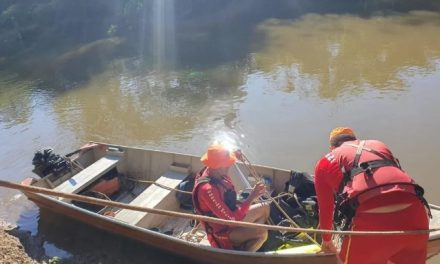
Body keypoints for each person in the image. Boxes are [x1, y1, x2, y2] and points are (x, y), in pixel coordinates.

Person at [314, 127, 430, 263]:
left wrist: (327, 240)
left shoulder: (324, 162)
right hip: (416, 215)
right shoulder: (378, 145)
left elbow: (326, 208)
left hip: (370, 226)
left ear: (331, 147)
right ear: (355, 139)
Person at [192, 144, 270, 251]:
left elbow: (225, 156)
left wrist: (235, 155)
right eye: (226, 164)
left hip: (233, 220)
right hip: (222, 232)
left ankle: (248, 239)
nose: (229, 166)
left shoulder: (213, 169)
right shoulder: (207, 190)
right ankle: (243, 255)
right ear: (217, 166)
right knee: (262, 232)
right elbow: (232, 219)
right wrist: (251, 197)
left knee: (265, 208)